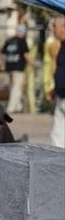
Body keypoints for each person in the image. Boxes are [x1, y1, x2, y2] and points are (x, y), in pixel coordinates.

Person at [0, 24, 30, 115]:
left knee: (13, 87)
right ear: (23, 33)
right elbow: (26, 55)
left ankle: (18, 106)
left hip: (9, 67)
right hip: (18, 68)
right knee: (16, 88)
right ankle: (11, 107)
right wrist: (31, 64)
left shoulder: (9, 41)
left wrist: (1, 65)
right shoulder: (22, 41)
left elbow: (2, 53)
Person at [51, 16, 65, 149]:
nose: (53, 30)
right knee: (58, 133)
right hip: (61, 95)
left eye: (55, 26)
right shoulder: (62, 46)